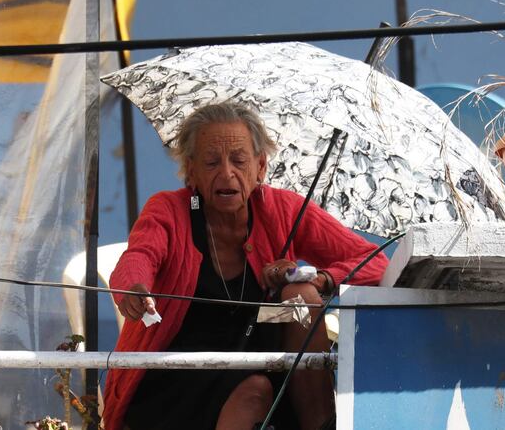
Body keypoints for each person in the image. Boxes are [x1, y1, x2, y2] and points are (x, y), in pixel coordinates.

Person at [103, 102, 388, 430]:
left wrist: (318, 279)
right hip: (182, 365)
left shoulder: (281, 208)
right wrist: (134, 287)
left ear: (260, 167)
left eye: (238, 161)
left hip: (259, 341)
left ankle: (320, 424)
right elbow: (139, 256)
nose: (226, 174)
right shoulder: (169, 209)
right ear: (191, 171)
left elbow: (375, 262)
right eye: (211, 162)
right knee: (254, 390)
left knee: (301, 298)